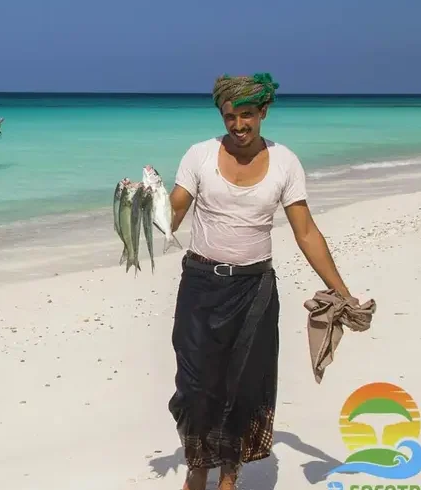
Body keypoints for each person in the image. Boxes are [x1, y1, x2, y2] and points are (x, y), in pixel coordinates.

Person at [166, 73, 358, 490]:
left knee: (243, 385)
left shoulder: (286, 162)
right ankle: (198, 465)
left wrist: (342, 292)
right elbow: (173, 215)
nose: (239, 126)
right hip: (200, 284)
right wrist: (139, 210)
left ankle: (229, 474)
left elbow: (305, 231)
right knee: (195, 384)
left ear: (264, 112)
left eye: (247, 115)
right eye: (230, 116)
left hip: (254, 290)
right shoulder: (199, 156)